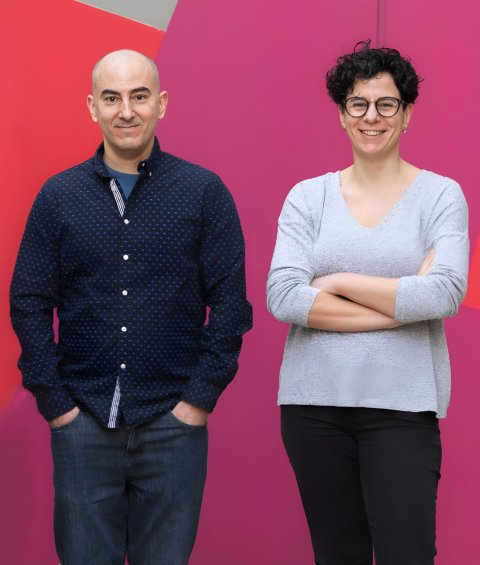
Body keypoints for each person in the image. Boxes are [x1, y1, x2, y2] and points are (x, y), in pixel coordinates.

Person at [10, 49, 252, 565]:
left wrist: (197, 402)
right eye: (112, 97)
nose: (126, 110)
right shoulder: (59, 196)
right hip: (82, 423)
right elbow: (28, 299)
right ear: (92, 107)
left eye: (139, 96)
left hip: (173, 425)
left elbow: (230, 304)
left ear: (161, 103)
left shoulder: (203, 193)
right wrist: (57, 405)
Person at [267, 41, 469, 565]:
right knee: (339, 556)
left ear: (407, 114)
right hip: (314, 409)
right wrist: (400, 302)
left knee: (408, 556)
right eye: (358, 104)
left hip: (402, 408)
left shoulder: (441, 196)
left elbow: (445, 292)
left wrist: (335, 279)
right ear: (341, 114)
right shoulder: (307, 198)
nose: (371, 117)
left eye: (386, 104)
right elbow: (284, 296)